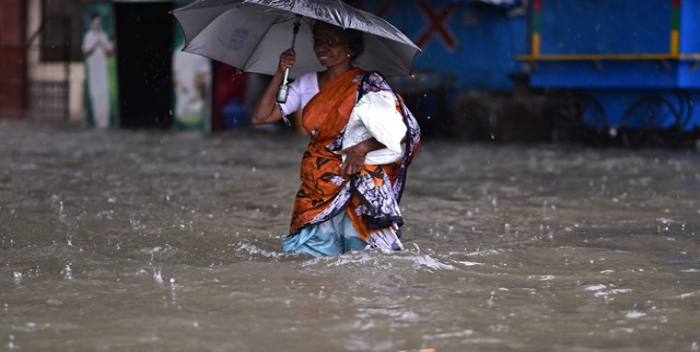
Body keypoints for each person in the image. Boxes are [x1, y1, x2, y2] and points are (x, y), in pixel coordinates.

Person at [251, 21, 420, 257]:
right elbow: (261, 117)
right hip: (318, 181)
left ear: (351, 47)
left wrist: (361, 148)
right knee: (303, 259)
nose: (323, 47)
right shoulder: (306, 83)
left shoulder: (369, 85)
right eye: (319, 41)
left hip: (359, 177)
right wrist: (281, 72)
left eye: (332, 41)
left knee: (364, 259)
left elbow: (399, 133)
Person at [82, 14, 114, 129]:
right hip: (94, 72)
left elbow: (110, 53)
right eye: (95, 23)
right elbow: (87, 52)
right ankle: (97, 120)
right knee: (96, 95)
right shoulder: (88, 37)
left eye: (99, 23)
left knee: (104, 95)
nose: (97, 25)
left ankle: (105, 120)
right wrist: (96, 44)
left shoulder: (104, 36)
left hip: (103, 71)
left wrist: (103, 44)